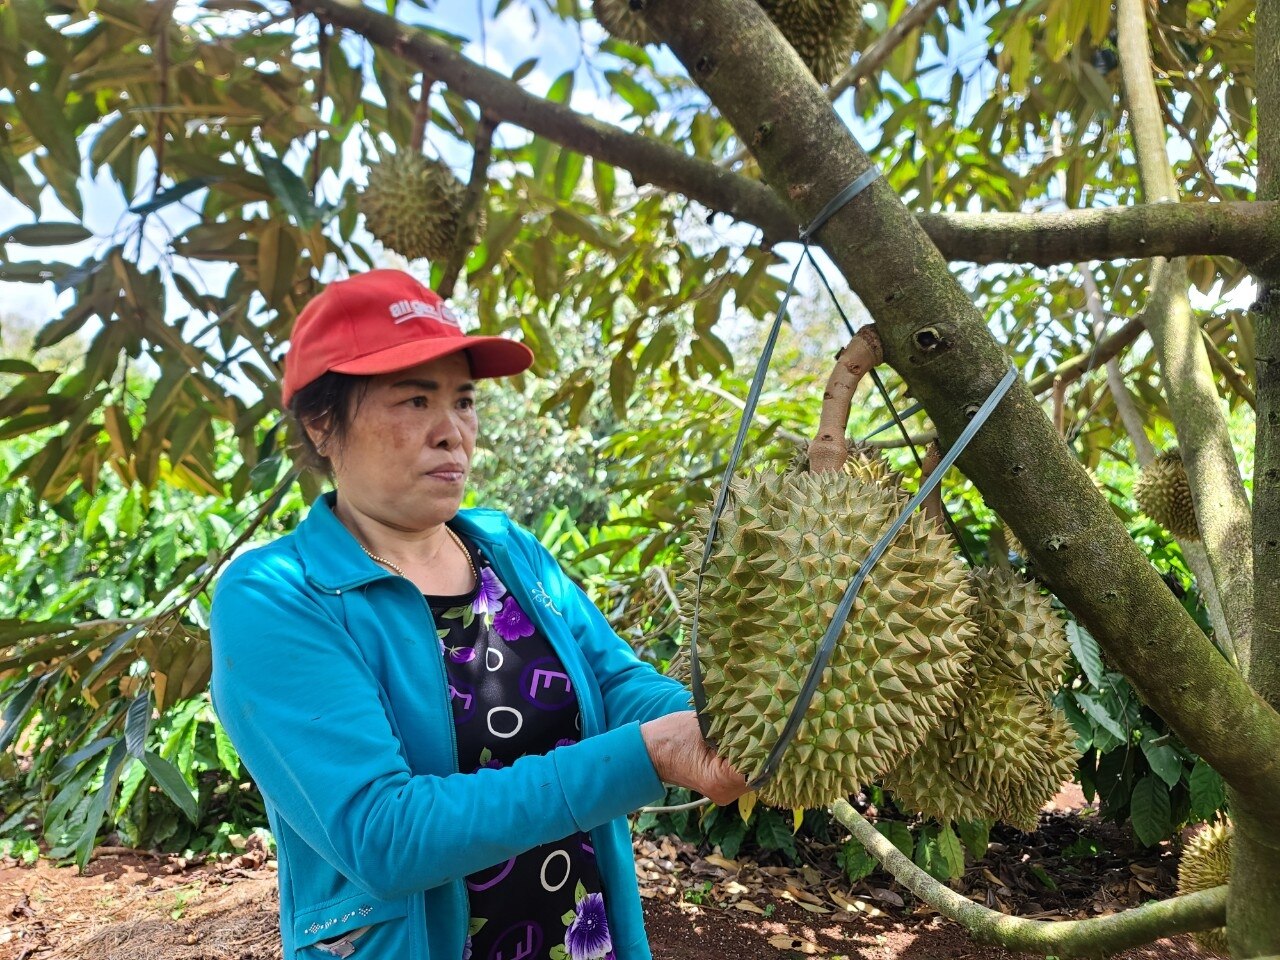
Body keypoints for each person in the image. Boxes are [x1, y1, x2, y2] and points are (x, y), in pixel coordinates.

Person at [209, 268, 747, 960]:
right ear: (321, 425)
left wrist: (723, 720)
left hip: (581, 939)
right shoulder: (278, 596)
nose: (452, 432)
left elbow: (614, 683)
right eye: (412, 400)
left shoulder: (506, 548)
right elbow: (386, 833)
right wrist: (649, 755)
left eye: (463, 401)